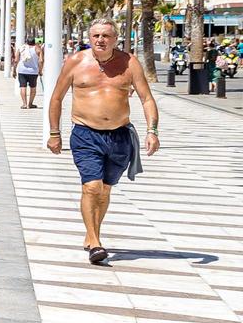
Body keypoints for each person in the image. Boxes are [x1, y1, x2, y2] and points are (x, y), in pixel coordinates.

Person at [46, 18, 159, 265]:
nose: (100, 40)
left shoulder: (129, 63)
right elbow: (56, 99)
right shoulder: (76, 62)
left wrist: (152, 131)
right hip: (86, 134)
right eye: (96, 35)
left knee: (105, 189)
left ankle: (91, 233)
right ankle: (96, 243)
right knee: (92, 187)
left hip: (119, 136)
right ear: (90, 37)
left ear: (115, 38)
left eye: (106, 36)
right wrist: (54, 133)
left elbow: (147, 99)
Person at [16, 38, 43, 109]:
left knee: (22, 87)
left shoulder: (21, 48)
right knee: (33, 87)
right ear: (34, 42)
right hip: (33, 72)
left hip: (22, 71)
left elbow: (16, 60)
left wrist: (13, 70)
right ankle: (30, 104)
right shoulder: (38, 49)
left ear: (26, 42)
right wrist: (40, 71)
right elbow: (41, 61)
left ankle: (24, 104)